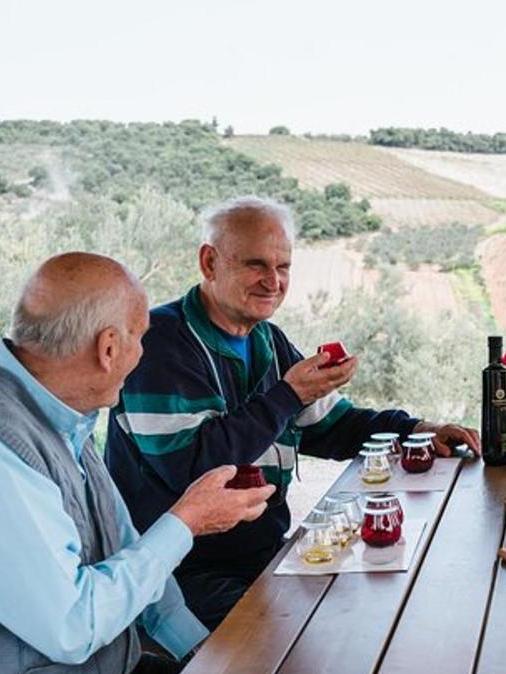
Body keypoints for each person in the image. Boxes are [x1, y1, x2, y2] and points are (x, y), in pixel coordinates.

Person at [107, 196, 478, 630]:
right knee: (300, 647)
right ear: (209, 263)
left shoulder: (268, 340)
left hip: (263, 555)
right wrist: (288, 394)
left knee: (382, 613)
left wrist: (418, 430)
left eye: (283, 267)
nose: (273, 281)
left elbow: (331, 426)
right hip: (180, 575)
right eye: (256, 265)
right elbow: (194, 468)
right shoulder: (161, 345)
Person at [0, 253, 276, 674]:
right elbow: (72, 627)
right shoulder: (2, 442)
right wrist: (187, 521)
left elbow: (129, 554)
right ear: (107, 348)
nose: (142, 357)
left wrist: (205, 660)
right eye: (141, 339)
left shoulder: (62, 413)